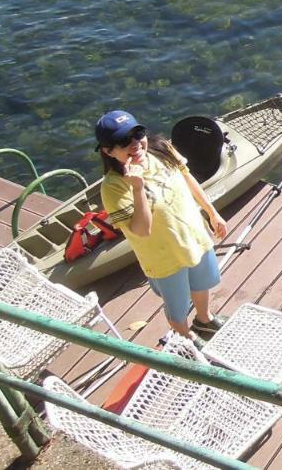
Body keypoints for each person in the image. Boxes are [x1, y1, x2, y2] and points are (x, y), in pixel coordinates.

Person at [96, 109, 229, 341]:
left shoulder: (162, 149)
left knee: (202, 282)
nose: (135, 143)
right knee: (176, 306)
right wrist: (137, 188)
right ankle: (185, 338)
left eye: (137, 134)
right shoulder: (113, 187)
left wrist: (212, 212)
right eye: (123, 141)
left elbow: (187, 177)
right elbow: (141, 230)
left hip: (194, 236)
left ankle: (204, 319)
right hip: (164, 257)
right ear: (108, 151)